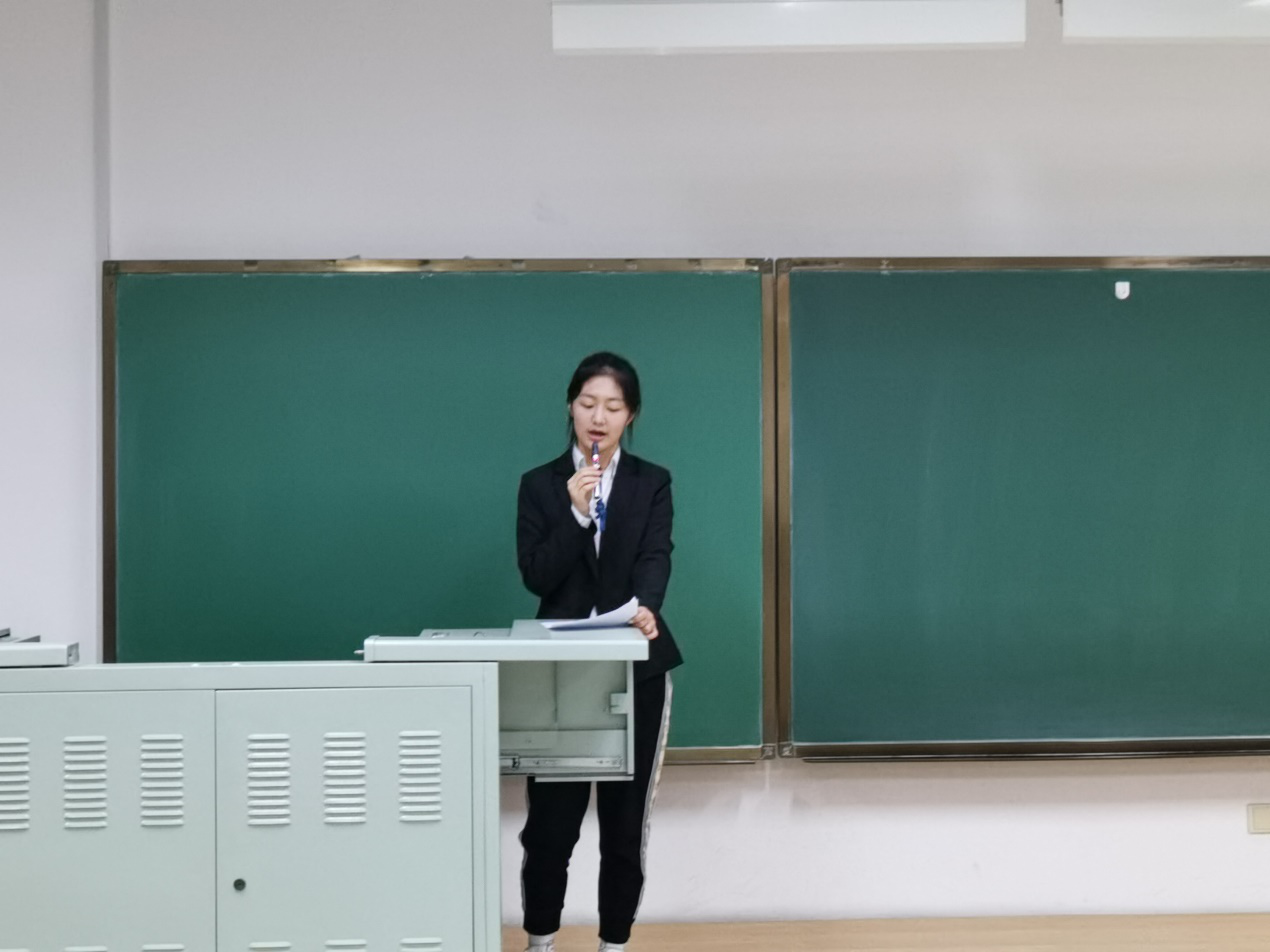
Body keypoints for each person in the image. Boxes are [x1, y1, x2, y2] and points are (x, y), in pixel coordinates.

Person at [516, 352, 684, 952]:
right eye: (588, 403)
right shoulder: (540, 484)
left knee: (623, 826)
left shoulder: (650, 482)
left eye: (613, 406)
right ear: (570, 406)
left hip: (635, 670)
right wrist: (574, 514)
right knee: (551, 827)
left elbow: (656, 556)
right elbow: (537, 576)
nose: (598, 417)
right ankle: (541, 941)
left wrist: (647, 606)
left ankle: (614, 943)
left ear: (630, 415)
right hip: (559, 676)